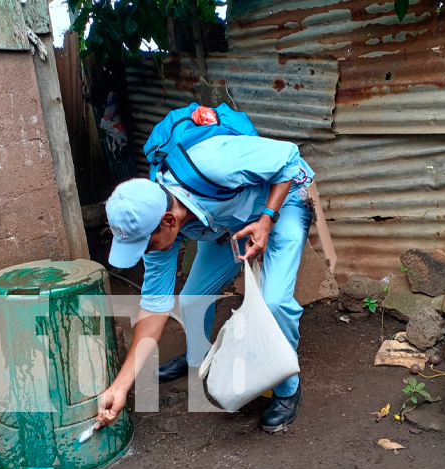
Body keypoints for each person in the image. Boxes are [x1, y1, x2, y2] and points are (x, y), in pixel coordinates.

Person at [97, 132, 314, 432]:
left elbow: (289, 156)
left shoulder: (214, 164)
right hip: (227, 220)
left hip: (283, 199)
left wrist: (266, 220)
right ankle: (196, 359)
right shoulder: (157, 224)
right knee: (190, 299)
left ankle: (287, 391)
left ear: (169, 222)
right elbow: (154, 307)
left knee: (274, 302)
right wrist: (120, 387)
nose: (146, 253)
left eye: (145, 245)